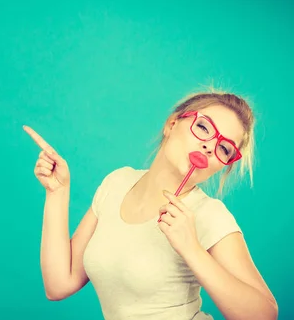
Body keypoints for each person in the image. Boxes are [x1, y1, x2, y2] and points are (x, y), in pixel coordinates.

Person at [24, 91, 278, 320]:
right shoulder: (117, 183)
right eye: (203, 127)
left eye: (224, 147)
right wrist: (57, 192)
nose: (209, 146)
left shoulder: (208, 214)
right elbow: (59, 284)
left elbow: (265, 314)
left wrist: (192, 249)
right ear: (172, 124)